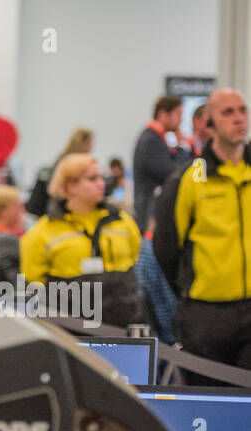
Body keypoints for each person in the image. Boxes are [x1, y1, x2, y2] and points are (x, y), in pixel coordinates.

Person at [155, 88, 251, 377]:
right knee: (208, 406)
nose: (239, 119)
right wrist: (189, 290)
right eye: (228, 112)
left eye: (242, 110)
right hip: (205, 316)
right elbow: (167, 249)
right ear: (209, 123)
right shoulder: (189, 178)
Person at [20, 153, 141, 327]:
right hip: (71, 328)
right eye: (92, 179)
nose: (101, 184)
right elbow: (33, 283)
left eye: (101, 177)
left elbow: (134, 257)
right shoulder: (41, 233)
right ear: (70, 186)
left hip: (122, 324)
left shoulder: (123, 222)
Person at [133, 95, 188, 237]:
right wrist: (182, 147)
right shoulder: (151, 140)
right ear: (163, 114)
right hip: (149, 217)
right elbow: (172, 172)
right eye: (178, 114)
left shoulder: (157, 139)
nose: (180, 120)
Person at [27, 127, 93, 218]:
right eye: (90, 142)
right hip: (61, 209)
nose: (91, 146)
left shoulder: (64, 157)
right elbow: (54, 187)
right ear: (83, 142)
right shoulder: (70, 161)